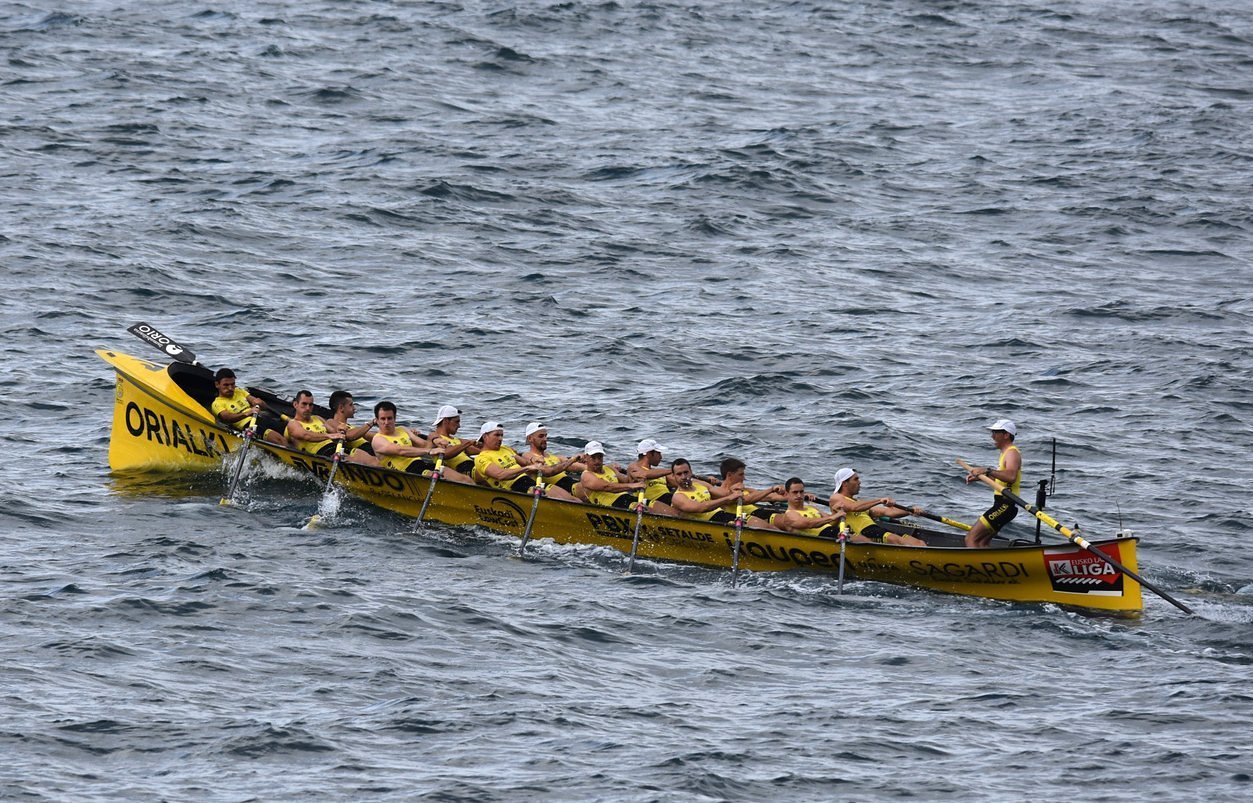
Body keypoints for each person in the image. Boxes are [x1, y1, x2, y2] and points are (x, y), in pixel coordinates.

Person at [473, 421, 580, 501]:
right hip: (515, 489)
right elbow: (500, 475)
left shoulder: (506, 449)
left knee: (574, 500)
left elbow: (526, 463)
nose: (500, 438)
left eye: (502, 435)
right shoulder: (481, 458)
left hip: (533, 483)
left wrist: (534, 461)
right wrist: (527, 468)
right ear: (485, 437)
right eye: (497, 435)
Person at [371, 401, 473, 483]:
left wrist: (436, 439)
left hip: (420, 465)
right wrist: (428, 451)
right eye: (383, 419)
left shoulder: (402, 429)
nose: (386, 422)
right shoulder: (378, 439)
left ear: (395, 418)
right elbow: (400, 450)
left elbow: (425, 444)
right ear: (377, 420)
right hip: (405, 473)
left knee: (465, 479)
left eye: (390, 418)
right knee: (442, 479)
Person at [962, 418, 1023, 548]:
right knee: (982, 542)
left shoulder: (1012, 453)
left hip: (1005, 505)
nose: (992, 436)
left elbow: (1011, 476)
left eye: (996, 432)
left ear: (1006, 435)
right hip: (1003, 505)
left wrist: (987, 471)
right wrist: (980, 477)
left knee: (971, 538)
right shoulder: (1005, 453)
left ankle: (976, 567)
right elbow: (1002, 480)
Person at [830, 467, 926, 546]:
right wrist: (879, 500)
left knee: (918, 543)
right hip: (862, 533)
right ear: (845, 484)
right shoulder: (836, 498)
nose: (859, 482)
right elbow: (853, 507)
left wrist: (910, 511)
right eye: (856, 479)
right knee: (898, 541)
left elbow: (887, 512)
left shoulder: (859, 503)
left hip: (875, 530)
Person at [670, 458, 780, 524]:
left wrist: (733, 493)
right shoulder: (678, 497)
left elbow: (724, 494)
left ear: (691, 472)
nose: (684, 476)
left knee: (762, 524)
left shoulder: (701, 484)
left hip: (722, 515)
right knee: (757, 524)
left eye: (686, 472)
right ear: (674, 477)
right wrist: (728, 498)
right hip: (709, 523)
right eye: (679, 474)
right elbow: (701, 508)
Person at [580, 441, 678, 513]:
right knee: (649, 511)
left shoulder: (609, 468)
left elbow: (626, 480)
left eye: (600, 457)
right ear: (586, 458)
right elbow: (607, 487)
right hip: (612, 505)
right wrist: (633, 486)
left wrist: (635, 477)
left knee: (669, 511)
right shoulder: (586, 475)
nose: (597, 461)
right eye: (593, 457)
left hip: (627, 498)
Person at [210, 368, 287, 445]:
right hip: (248, 426)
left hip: (261, 418)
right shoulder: (217, 404)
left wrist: (260, 402)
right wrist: (247, 413)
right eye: (226, 385)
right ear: (217, 384)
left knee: (292, 430)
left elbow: (261, 405)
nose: (230, 388)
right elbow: (227, 417)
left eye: (232, 384)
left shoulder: (239, 391)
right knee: (279, 440)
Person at [715, 457, 786, 530]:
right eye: (741, 474)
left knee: (789, 520)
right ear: (729, 475)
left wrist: (789, 495)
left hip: (759, 513)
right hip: (744, 518)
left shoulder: (746, 489)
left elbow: (769, 497)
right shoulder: (720, 492)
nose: (744, 478)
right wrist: (771, 489)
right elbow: (747, 500)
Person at [517, 422, 585, 496]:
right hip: (555, 489)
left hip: (571, 484)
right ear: (530, 438)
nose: (545, 439)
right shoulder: (527, 456)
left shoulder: (557, 457)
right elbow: (548, 471)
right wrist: (573, 460)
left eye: (546, 436)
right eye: (541, 436)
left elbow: (576, 466)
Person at [773, 477, 846, 538]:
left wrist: (835, 512)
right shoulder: (790, 515)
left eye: (801, 492)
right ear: (786, 494)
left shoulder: (812, 508)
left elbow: (832, 523)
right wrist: (833, 517)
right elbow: (809, 523)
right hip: (823, 538)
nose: (799, 495)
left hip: (834, 533)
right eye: (795, 492)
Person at [323, 390, 380, 466]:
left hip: (370, 450)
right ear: (341, 408)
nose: (354, 408)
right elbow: (349, 436)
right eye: (351, 405)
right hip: (359, 453)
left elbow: (373, 436)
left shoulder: (352, 427)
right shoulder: (331, 422)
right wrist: (372, 423)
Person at [285, 390, 347, 458]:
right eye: (304, 404)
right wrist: (329, 436)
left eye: (310, 405)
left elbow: (334, 433)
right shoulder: (293, 423)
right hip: (320, 454)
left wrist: (339, 430)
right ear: (295, 404)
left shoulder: (317, 418)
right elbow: (305, 435)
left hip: (336, 450)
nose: (308, 408)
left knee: (357, 453)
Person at [428, 405, 478, 474]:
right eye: (457, 422)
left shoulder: (458, 440)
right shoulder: (435, 437)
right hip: (461, 469)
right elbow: (445, 453)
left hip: (472, 466)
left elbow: (481, 450)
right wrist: (468, 443)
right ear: (446, 420)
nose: (459, 426)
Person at [627, 438, 675, 506]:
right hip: (653, 502)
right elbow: (644, 474)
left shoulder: (660, 473)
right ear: (649, 454)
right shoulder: (633, 467)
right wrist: (674, 470)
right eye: (658, 453)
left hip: (668, 498)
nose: (661, 457)